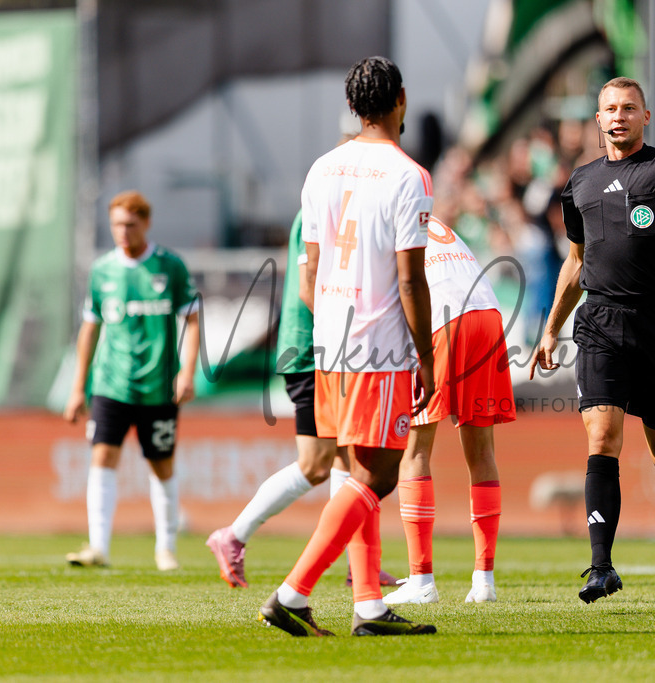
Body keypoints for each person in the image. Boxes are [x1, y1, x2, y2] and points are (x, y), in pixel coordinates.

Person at [257, 56, 437, 637]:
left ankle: (368, 607)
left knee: (354, 470)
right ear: (400, 100)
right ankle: (293, 592)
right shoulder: (408, 175)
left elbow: (308, 273)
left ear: (354, 106)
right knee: (378, 476)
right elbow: (410, 278)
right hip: (378, 345)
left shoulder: (321, 170)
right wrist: (426, 356)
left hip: (329, 343)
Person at [529, 77, 655, 608]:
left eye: (629, 108)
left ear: (646, 116)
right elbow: (576, 260)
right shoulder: (581, 183)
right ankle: (601, 566)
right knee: (602, 436)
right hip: (599, 322)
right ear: (598, 120)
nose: (618, 116)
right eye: (610, 109)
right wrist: (550, 328)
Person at [205, 209, 398, 589]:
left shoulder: (324, 205)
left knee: (350, 455)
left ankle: (358, 564)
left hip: (321, 346)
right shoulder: (325, 208)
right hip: (313, 349)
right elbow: (313, 285)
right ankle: (233, 536)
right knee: (317, 463)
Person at [382, 216, 516, 606]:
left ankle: (422, 580)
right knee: (482, 452)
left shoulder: (379, 222)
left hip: (441, 319)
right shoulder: (430, 219)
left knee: (415, 451)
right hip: (487, 315)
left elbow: (398, 290)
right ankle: (484, 580)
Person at [63, 190, 200, 571]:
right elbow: (89, 330)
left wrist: (187, 374)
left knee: (161, 464)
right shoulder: (102, 270)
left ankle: (166, 548)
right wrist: (78, 387)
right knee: (102, 455)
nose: (122, 232)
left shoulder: (170, 266)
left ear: (146, 223)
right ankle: (98, 547)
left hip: (158, 385)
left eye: (130, 224)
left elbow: (192, 320)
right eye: (117, 225)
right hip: (111, 384)